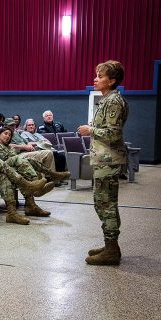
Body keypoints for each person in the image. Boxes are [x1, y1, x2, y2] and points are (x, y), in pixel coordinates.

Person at [77, 60, 128, 266]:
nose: (95, 79)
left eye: (100, 76)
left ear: (112, 80)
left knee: (106, 204)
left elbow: (114, 134)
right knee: (103, 203)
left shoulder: (114, 101)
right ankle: (110, 245)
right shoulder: (107, 99)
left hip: (109, 160)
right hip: (103, 159)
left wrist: (91, 130)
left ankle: (111, 249)